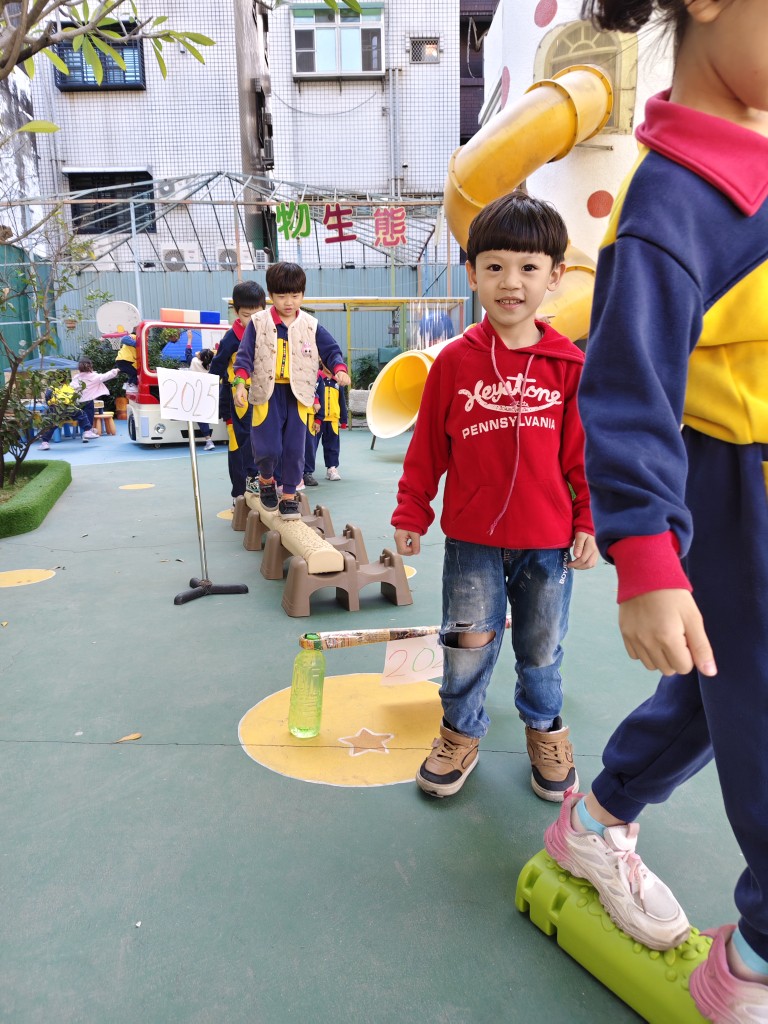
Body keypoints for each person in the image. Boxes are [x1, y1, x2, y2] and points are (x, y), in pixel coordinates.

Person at [541, 2, 768, 1019]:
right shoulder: (675, 199)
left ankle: (598, 816)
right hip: (730, 481)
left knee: (714, 682)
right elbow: (627, 389)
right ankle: (754, 963)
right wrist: (644, 554)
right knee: (755, 700)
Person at [391, 190, 598, 802]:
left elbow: (583, 456)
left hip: (548, 542)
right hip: (471, 541)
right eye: (495, 266)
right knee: (466, 644)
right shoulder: (454, 363)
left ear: (555, 276)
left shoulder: (568, 366)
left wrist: (589, 520)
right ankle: (460, 731)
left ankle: (545, 731)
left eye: (529, 267)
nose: (512, 282)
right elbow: (427, 447)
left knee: (541, 648)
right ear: (472, 272)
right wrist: (412, 510)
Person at [233, 261, 350, 519]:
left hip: (299, 395)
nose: (288, 302)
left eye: (295, 296)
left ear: (303, 294)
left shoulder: (311, 324)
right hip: (268, 393)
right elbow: (244, 356)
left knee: (295, 448)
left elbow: (331, 350)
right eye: (281, 296)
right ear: (270, 295)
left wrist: (339, 368)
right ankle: (266, 479)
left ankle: (288, 495)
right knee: (268, 447)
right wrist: (240, 383)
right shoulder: (258, 322)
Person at [209, 281, 266, 500]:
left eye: (256, 315)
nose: (251, 320)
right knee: (240, 445)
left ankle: (265, 484)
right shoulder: (231, 338)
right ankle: (239, 492)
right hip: (239, 399)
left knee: (264, 442)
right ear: (236, 312)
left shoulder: (268, 333)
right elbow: (216, 369)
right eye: (245, 315)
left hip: (264, 397)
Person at [71, 358, 119, 442]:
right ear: (90, 366)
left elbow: (72, 387)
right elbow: (107, 375)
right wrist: (116, 370)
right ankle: (87, 432)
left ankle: (86, 433)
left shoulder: (76, 377)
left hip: (77, 402)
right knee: (89, 416)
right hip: (88, 401)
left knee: (82, 417)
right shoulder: (94, 376)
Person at [313, 367, 348, 480]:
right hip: (317, 419)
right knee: (312, 445)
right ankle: (306, 471)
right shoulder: (317, 378)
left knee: (332, 445)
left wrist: (343, 420)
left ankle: (331, 468)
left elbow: (341, 401)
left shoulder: (337, 382)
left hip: (333, 419)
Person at [189, 348, 215, 450]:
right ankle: (208, 440)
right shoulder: (211, 365)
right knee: (203, 417)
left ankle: (208, 441)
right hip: (208, 394)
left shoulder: (194, 361)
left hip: (196, 393)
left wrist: (190, 342)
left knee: (200, 417)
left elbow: (188, 355)